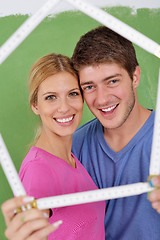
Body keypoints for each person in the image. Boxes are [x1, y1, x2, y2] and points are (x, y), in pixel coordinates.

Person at [1, 53, 105, 240]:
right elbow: (32, 232)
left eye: (73, 94)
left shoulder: (72, 159)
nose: (64, 108)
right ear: (35, 105)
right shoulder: (38, 170)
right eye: (51, 97)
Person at [71, 26, 160, 239]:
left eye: (112, 81)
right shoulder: (74, 146)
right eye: (89, 87)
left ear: (135, 77)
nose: (101, 99)